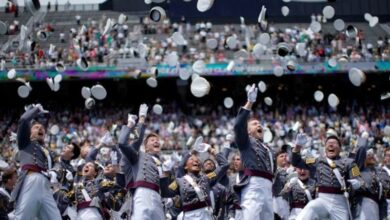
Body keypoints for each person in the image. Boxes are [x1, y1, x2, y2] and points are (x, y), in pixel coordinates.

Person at [292, 133, 363, 220]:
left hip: (340, 202)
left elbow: (358, 177)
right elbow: (296, 162)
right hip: (322, 200)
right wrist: (298, 146)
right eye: (328, 143)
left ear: (340, 148)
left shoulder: (349, 162)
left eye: (334, 143)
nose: (331, 145)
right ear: (325, 149)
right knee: (311, 207)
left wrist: (358, 183)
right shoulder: (316, 161)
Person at [11, 104, 62, 220]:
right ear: (29, 133)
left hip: (46, 185)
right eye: (36, 127)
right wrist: (36, 110)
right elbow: (23, 120)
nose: (40, 129)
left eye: (42, 128)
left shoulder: (48, 151)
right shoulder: (25, 142)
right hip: (31, 179)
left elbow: (58, 164)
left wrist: (54, 172)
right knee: (22, 217)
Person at [118, 104, 168, 220]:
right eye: (152, 140)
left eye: (157, 140)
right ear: (145, 146)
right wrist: (139, 120)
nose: (156, 142)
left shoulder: (161, 164)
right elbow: (124, 143)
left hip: (158, 198)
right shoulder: (137, 155)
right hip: (141, 194)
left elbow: (166, 190)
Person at [233, 84, 275, 220]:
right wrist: (249, 102)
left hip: (268, 186)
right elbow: (238, 125)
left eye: (259, 123)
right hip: (254, 184)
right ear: (248, 131)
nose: (259, 125)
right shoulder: (245, 141)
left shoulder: (268, 148)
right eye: (254, 124)